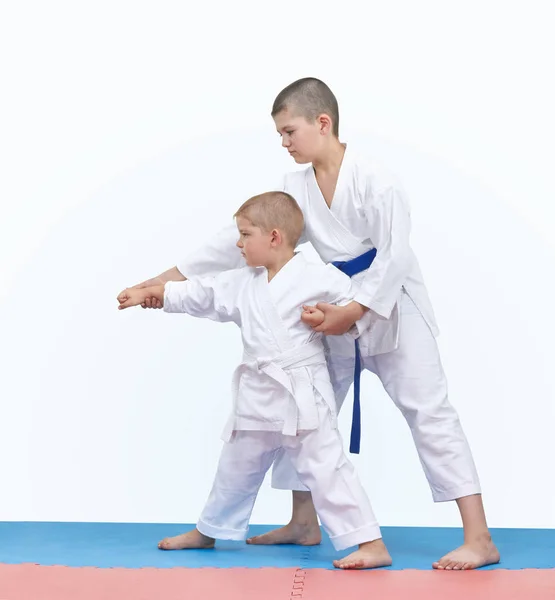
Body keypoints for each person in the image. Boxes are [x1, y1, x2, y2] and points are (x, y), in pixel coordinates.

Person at [119, 77, 500, 570]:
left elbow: (394, 256)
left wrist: (355, 311)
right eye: (280, 134)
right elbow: (226, 243)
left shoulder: (376, 180)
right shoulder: (291, 187)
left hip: (390, 309)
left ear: (323, 123)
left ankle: (479, 536)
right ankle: (304, 522)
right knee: (303, 412)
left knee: (430, 413)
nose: (284, 142)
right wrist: (158, 281)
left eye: (289, 131)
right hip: (324, 308)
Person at [118, 191, 391, 569]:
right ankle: (209, 529)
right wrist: (152, 293)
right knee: (235, 466)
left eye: (246, 235)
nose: (238, 243)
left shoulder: (319, 277)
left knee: (327, 467)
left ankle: (370, 543)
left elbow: (354, 309)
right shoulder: (243, 281)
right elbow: (199, 293)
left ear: (274, 237)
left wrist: (332, 317)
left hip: (302, 396)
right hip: (257, 394)